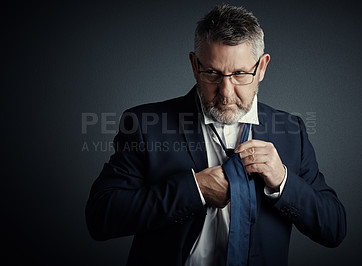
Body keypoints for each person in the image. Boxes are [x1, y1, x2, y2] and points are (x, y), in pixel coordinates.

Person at [86, 4, 346, 266]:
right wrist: (194, 190)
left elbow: (334, 228)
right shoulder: (145, 125)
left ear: (262, 67)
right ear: (194, 65)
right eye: (212, 73)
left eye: (240, 74)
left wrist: (283, 181)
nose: (226, 92)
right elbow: (101, 217)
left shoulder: (292, 131)